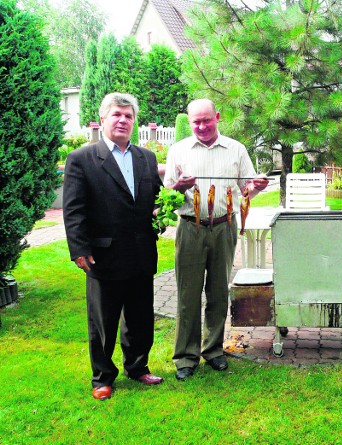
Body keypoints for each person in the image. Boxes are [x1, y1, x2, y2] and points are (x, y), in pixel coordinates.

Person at [63, 93, 165, 401]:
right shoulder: (82, 159)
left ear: (134, 121)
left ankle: (138, 367)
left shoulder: (146, 157)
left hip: (141, 252)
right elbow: (74, 209)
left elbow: (155, 198)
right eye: (117, 115)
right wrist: (79, 249)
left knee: (140, 317)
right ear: (104, 118)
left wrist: (168, 204)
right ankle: (102, 377)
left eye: (128, 116)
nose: (123, 120)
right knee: (103, 322)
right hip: (102, 255)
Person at [164, 98, 269, 381]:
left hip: (224, 227)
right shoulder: (178, 150)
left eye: (206, 120)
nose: (201, 126)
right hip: (189, 228)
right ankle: (186, 356)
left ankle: (213, 350)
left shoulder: (236, 149)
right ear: (189, 122)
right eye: (195, 121)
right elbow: (167, 196)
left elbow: (246, 189)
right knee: (187, 294)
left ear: (217, 117)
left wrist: (256, 186)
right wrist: (178, 187)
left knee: (219, 291)